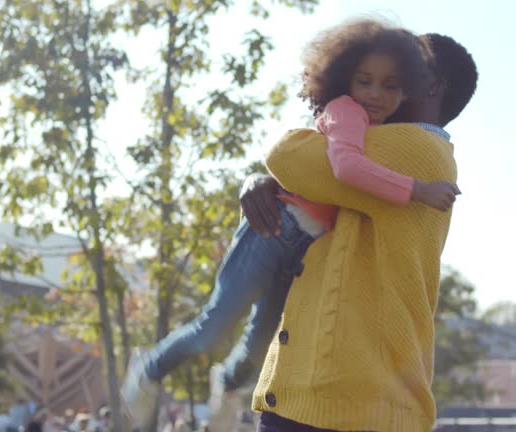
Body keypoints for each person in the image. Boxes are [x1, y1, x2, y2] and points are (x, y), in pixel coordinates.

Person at [121, 18, 456, 430]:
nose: (378, 93)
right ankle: (149, 369)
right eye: (366, 79)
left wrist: (265, 178)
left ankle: (224, 384)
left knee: (255, 342)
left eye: (392, 83)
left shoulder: (409, 144)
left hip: (301, 248)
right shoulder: (356, 118)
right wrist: (418, 189)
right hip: (281, 227)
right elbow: (299, 158)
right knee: (217, 324)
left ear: (420, 86)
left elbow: (298, 159)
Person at [241, 32, 478, 431]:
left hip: (349, 405)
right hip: (317, 398)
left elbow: (288, 156)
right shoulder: (380, 155)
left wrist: (262, 178)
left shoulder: (414, 149)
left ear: (432, 87)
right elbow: (306, 175)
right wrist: (266, 182)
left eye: (400, 71)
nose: (384, 78)